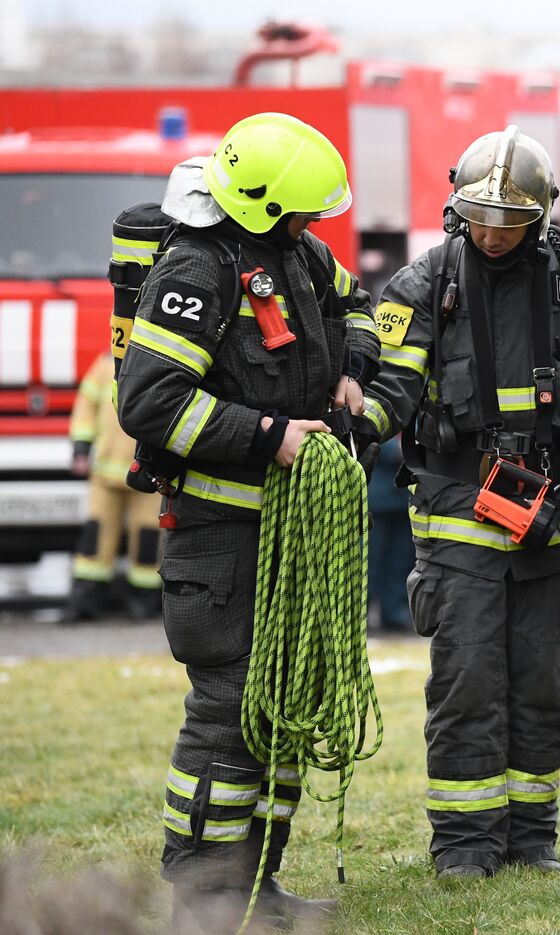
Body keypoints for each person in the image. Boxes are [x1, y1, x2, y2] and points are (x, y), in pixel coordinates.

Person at [115, 112, 379, 930]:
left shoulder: (298, 254)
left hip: (293, 538)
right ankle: (203, 892)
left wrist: (353, 370)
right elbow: (149, 401)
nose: (315, 225)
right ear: (264, 206)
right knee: (229, 712)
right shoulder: (197, 268)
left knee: (282, 710)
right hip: (220, 541)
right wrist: (271, 437)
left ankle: (260, 884)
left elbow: (357, 304)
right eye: (303, 212)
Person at [354, 126, 560, 879]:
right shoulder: (423, 285)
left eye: (510, 220)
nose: (493, 233)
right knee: (468, 680)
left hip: (553, 516)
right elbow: (389, 390)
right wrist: (347, 429)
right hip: (458, 513)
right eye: (481, 217)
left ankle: (532, 838)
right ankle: (464, 845)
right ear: (457, 208)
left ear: (541, 215)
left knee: (542, 685)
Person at [65, 351, 162, 622]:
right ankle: (85, 602)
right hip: (109, 472)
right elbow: (85, 408)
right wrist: (80, 448)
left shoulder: (156, 360)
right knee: (95, 538)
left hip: (147, 473)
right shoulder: (105, 365)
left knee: (148, 538)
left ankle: (145, 604)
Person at [367, 435, 413, 631]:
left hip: (405, 499)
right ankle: (363, 612)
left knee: (400, 561)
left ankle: (394, 612)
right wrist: (400, 450)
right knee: (371, 561)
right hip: (378, 497)